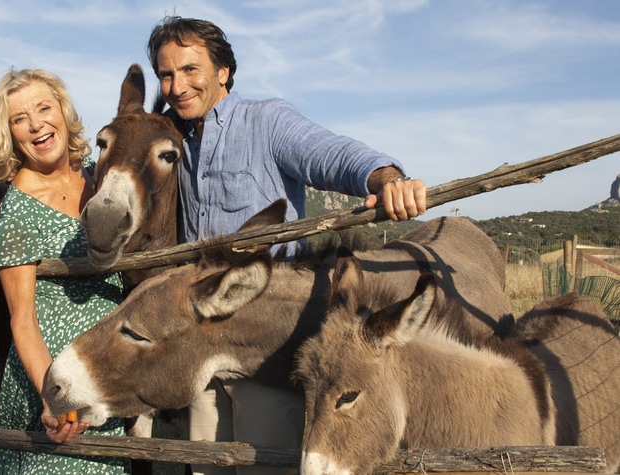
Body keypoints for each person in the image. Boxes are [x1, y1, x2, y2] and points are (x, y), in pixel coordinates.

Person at [146, 16, 427, 475]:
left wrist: (387, 178)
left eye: (190, 69)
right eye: (167, 74)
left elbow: (330, 152)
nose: (178, 86)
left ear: (223, 72)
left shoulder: (267, 121)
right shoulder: (177, 142)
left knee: (266, 466)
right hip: (202, 348)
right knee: (204, 467)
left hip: (269, 349)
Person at [0, 68, 130, 474]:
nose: (37, 124)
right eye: (19, 118)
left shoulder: (99, 175)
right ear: (9, 134)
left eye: (44, 108)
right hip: (54, 377)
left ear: (63, 110)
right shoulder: (19, 206)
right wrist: (53, 394)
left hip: (106, 368)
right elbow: (22, 318)